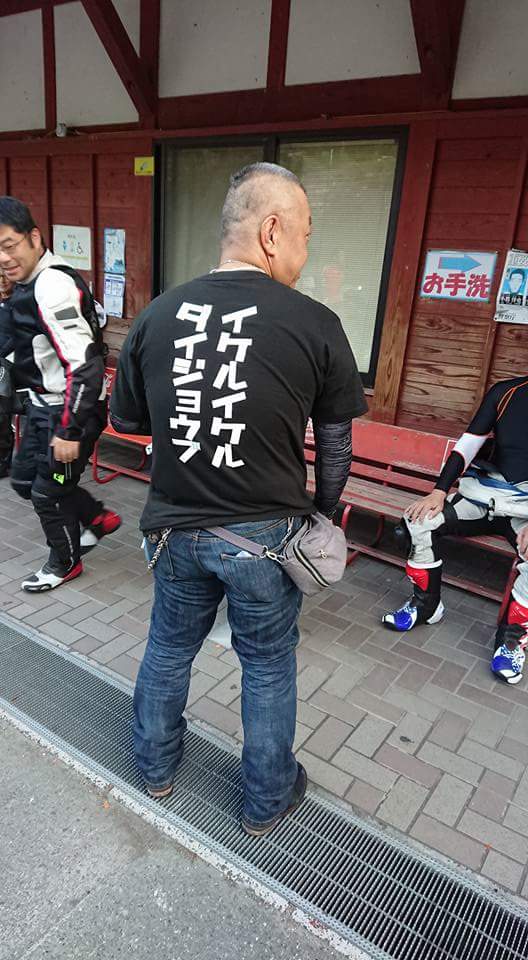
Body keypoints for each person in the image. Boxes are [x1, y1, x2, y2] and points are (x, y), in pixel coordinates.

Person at [110, 162, 367, 835]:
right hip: (266, 541)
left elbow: (128, 420)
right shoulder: (315, 323)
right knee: (268, 667)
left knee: (168, 649)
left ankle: (155, 768)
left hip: (175, 529)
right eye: (306, 234)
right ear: (273, 231)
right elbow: (335, 446)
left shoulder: (157, 314)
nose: (306, 250)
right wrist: (322, 517)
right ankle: (265, 799)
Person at [0, 196, 121, 592]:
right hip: (40, 406)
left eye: (9, 245)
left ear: (34, 238)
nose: (3, 258)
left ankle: (65, 563)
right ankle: (97, 518)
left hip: (69, 411)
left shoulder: (52, 286)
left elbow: (85, 367)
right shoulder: (25, 284)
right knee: (23, 481)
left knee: (47, 494)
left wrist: (69, 431)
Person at [382, 376, 528, 686]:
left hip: (525, 510)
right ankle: (427, 606)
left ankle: (511, 641)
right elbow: (469, 444)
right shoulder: (506, 392)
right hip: (483, 495)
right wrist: (439, 490)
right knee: (417, 523)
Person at [0, 269, 15, 477]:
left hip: (10, 363)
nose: (2, 281)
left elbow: (20, 335)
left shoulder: (20, 302)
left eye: (5, 276)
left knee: (1, 414)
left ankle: (3, 460)